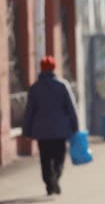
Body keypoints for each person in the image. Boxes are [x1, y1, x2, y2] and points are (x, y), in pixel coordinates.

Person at [23, 56, 79, 196]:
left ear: (41, 68)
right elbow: (71, 108)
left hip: (42, 131)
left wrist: (27, 130)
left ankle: (49, 182)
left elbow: (29, 111)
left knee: (45, 158)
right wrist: (75, 126)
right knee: (59, 157)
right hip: (61, 130)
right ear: (54, 68)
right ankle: (56, 178)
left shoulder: (35, 88)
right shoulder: (62, 85)